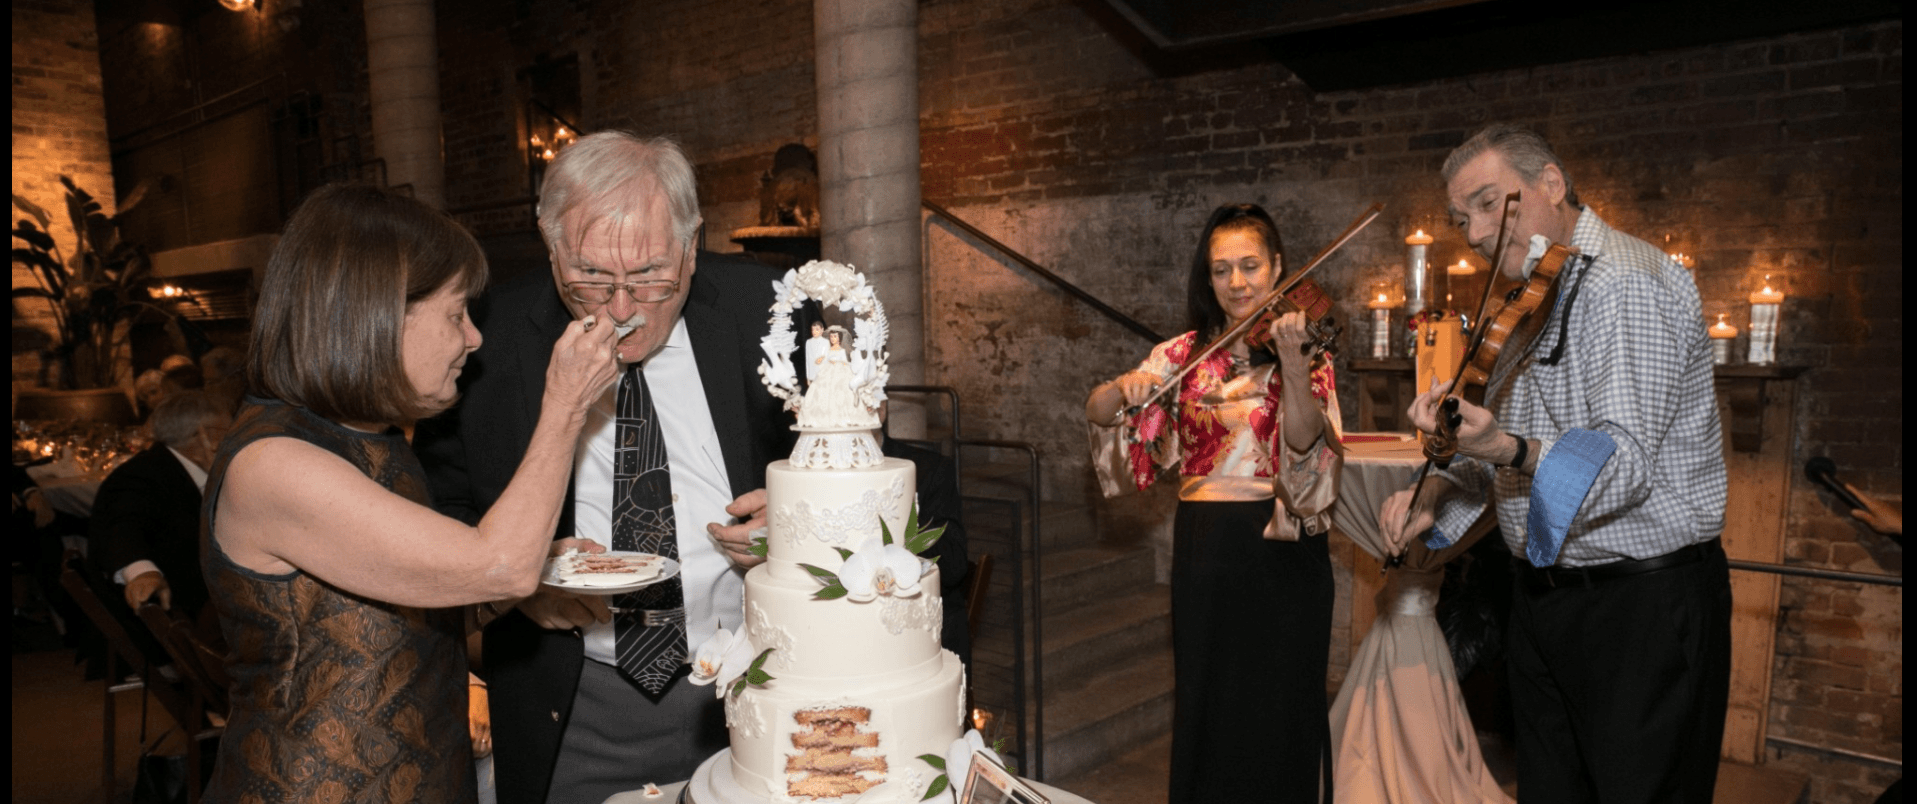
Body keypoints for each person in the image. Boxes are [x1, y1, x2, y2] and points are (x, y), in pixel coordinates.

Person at [200, 183, 618, 802]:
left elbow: (409, 611)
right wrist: (565, 404)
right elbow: (497, 565)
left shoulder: (378, 441)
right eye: (456, 314)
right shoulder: (276, 463)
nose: (473, 339)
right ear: (376, 315)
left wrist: (525, 594)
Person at [413, 132, 797, 804]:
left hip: (759, 678)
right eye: (589, 275)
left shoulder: (765, 307)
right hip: (575, 705)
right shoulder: (484, 341)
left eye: (651, 274)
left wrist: (794, 515)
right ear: (548, 242)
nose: (622, 309)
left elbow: (859, 470)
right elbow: (437, 516)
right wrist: (517, 579)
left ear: (691, 240)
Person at [1380, 124, 1731, 804]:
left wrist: (1504, 448)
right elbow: (1512, 452)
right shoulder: (1533, 294)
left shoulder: (1626, 285)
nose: (1477, 232)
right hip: (1544, 602)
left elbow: (1620, 465)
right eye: (1461, 219)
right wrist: (1437, 494)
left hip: (1638, 609)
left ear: (1549, 182)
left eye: (1491, 204)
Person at [1084, 203, 1342, 803]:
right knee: (1208, 699)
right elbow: (1098, 413)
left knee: (1281, 704)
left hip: (1285, 543)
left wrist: (1295, 366)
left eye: (1250, 266)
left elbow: (1304, 445)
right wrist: (1122, 388)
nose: (1237, 283)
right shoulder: (1181, 355)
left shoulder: (1307, 348)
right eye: (1222, 269)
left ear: (1277, 267)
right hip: (1207, 545)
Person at [92, 389, 230, 628]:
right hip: (181, 623)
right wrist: (143, 573)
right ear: (208, 435)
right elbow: (122, 526)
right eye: (231, 429)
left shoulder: (195, 470)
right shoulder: (142, 475)